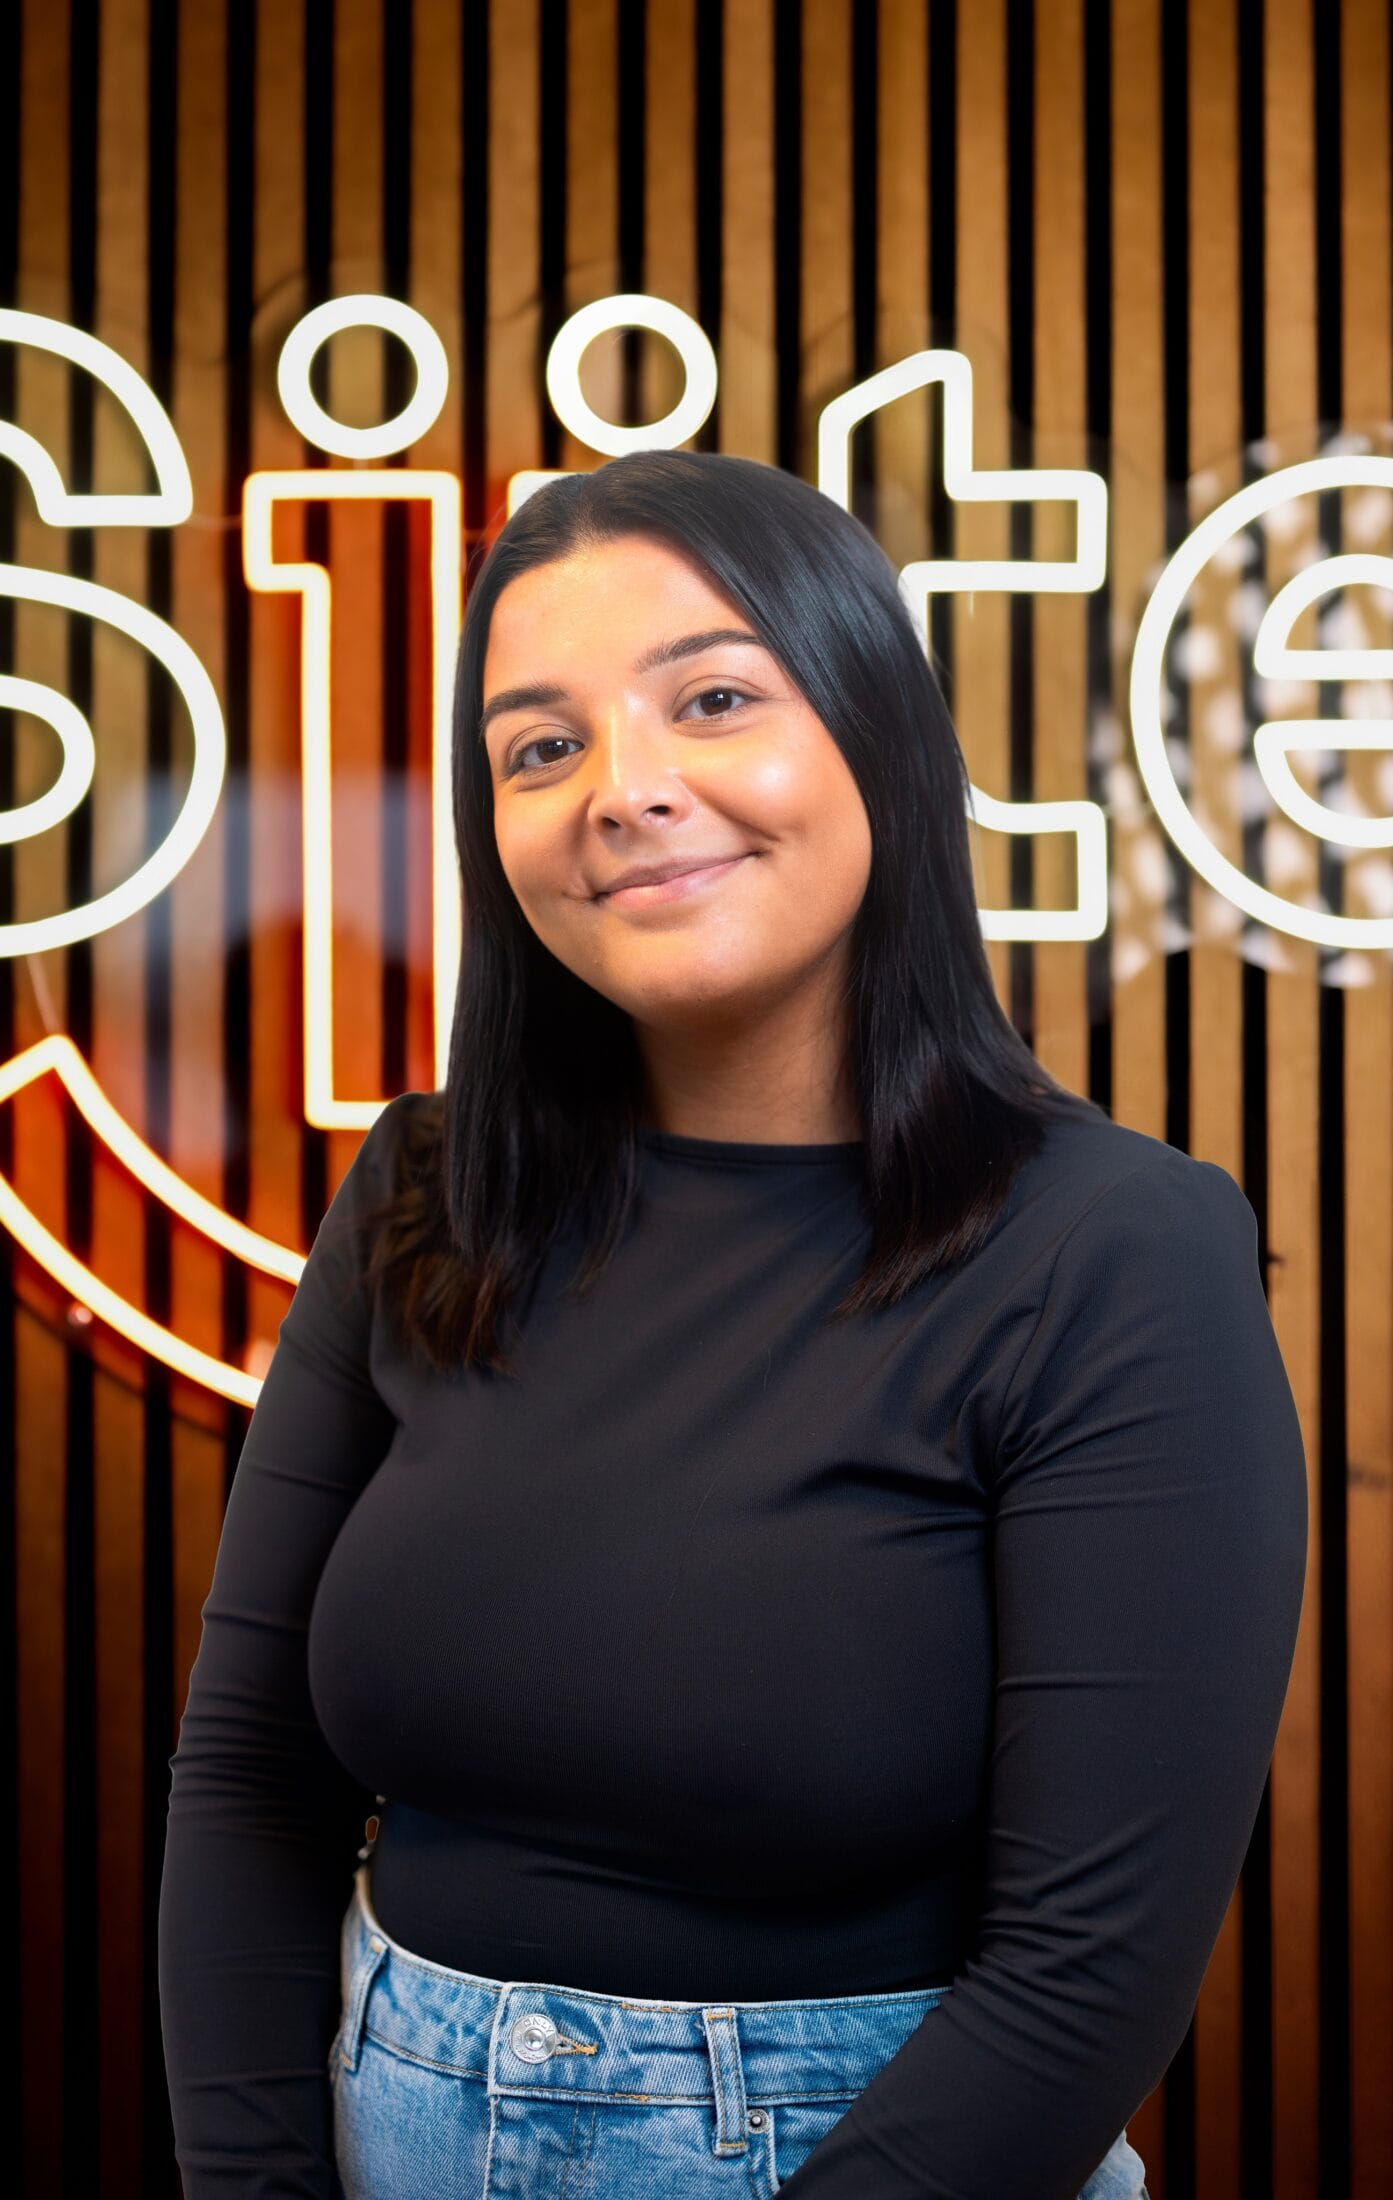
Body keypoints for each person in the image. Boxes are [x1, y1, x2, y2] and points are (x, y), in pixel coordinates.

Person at [157, 449, 1309, 2200]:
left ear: (881, 741)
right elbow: (249, 1779)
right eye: (540, 745)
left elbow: (1089, 1974)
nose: (623, 791)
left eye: (711, 698)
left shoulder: (1114, 1250)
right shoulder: (421, 1192)